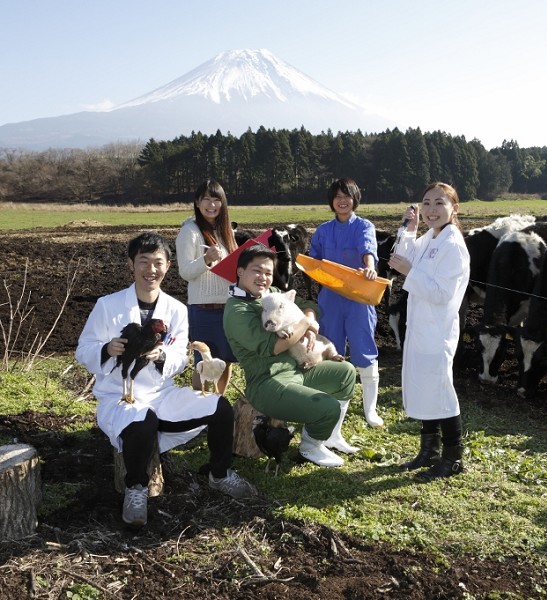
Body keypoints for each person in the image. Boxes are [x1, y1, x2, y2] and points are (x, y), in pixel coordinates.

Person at [75, 232, 257, 527]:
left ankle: (220, 474)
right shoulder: (107, 306)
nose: (151, 269)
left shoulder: (177, 310)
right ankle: (136, 488)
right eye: (143, 262)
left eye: (157, 262)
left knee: (219, 407)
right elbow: (83, 350)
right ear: (131, 265)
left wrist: (163, 357)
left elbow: (181, 357)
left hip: (162, 394)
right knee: (142, 420)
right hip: (120, 397)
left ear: (168, 266)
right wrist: (106, 349)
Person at [223, 244, 358, 467]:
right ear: (240, 271)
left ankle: (331, 435)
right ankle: (310, 446)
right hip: (269, 382)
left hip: (297, 368)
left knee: (345, 373)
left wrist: (310, 324)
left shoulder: (271, 294)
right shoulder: (237, 310)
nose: (263, 277)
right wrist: (306, 323)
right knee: (327, 407)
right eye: (257, 270)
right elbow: (274, 346)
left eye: (268, 272)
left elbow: (305, 304)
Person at [388, 182, 470, 482]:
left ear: (454, 208)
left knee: (440, 390)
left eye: (439, 203)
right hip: (421, 327)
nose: (432, 210)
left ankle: (453, 456)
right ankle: (429, 449)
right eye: (427, 203)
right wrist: (410, 227)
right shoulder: (432, 238)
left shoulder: (453, 246)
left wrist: (410, 272)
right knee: (424, 385)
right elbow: (403, 254)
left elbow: (442, 294)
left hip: (437, 330)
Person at [309, 177, 383, 427]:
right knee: (331, 349)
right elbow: (314, 261)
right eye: (337, 197)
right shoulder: (323, 231)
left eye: (347, 196)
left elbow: (367, 249)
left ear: (354, 200)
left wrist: (369, 267)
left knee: (364, 348)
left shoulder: (364, 226)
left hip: (359, 298)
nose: (342, 201)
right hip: (330, 299)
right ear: (332, 201)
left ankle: (370, 410)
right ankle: (332, 403)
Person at [175, 179, 238, 394]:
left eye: (216, 200)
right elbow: (184, 272)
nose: (212, 205)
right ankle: (199, 408)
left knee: (226, 360)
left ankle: (217, 403)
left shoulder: (226, 231)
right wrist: (206, 260)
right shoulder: (190, 231)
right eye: (207, 200)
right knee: (205, 362)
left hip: (228, 307)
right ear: (197, 202)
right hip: (203, 309)